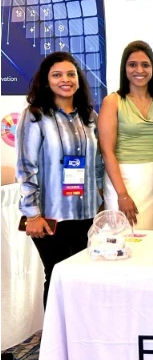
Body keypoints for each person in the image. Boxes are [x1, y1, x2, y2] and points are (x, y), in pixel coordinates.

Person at [16, 52, 103, 307]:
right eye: (57, 75)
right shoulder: (35, 115)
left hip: (87, 214)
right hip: (50, 217)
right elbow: (26, 167)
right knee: (56, 277)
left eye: (70, 74)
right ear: (46, 80)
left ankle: (81, 331)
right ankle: (54, 333)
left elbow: (98, 163)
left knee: (84, 279)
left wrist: (101, 199)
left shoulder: (90, 116)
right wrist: (32, 214)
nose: (65, 80)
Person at [98, 41, 153, 230]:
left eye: (145, 65)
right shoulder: (113, 101)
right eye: (132, 64)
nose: (139, 70)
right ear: (124, 68)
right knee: (124, 235)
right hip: (123, 179)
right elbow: (107, 152)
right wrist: (122, 194)